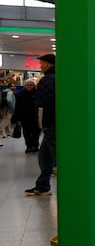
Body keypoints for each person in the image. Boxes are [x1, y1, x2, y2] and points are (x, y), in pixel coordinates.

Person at [25, 54, 56, 196]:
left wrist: (43, 123)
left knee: (55, 154)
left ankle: (74, 185)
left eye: (42, 63)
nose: (40, 66)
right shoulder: (55, 78)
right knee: (44, 156)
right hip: (54, 122)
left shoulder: (47, 81)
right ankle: (43, 185)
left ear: (48, 64)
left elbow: (44, 104)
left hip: (51, 124)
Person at [12, 78, 41, 153]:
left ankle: (35, 146)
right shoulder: (20, 94)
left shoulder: (38, 93)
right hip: (24, 117)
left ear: (34, 85)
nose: (29, 86)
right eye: (27, 85)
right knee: (26, 133)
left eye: (31, 85)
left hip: (36, 117)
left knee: (36, 133)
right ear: (24, 86)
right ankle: (29, 146)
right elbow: (17, 106)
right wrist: (16, 117)